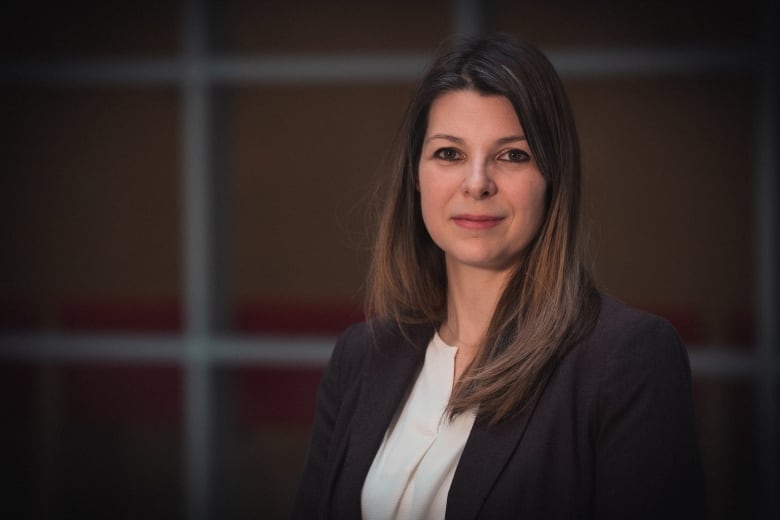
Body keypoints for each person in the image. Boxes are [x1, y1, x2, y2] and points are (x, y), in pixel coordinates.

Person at [293, 33, 705, 519]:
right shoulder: (361, 357)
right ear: (416, 175)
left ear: (553, 177)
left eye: (512, 155)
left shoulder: (627, 358)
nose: (477, 183)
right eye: (449, 153)